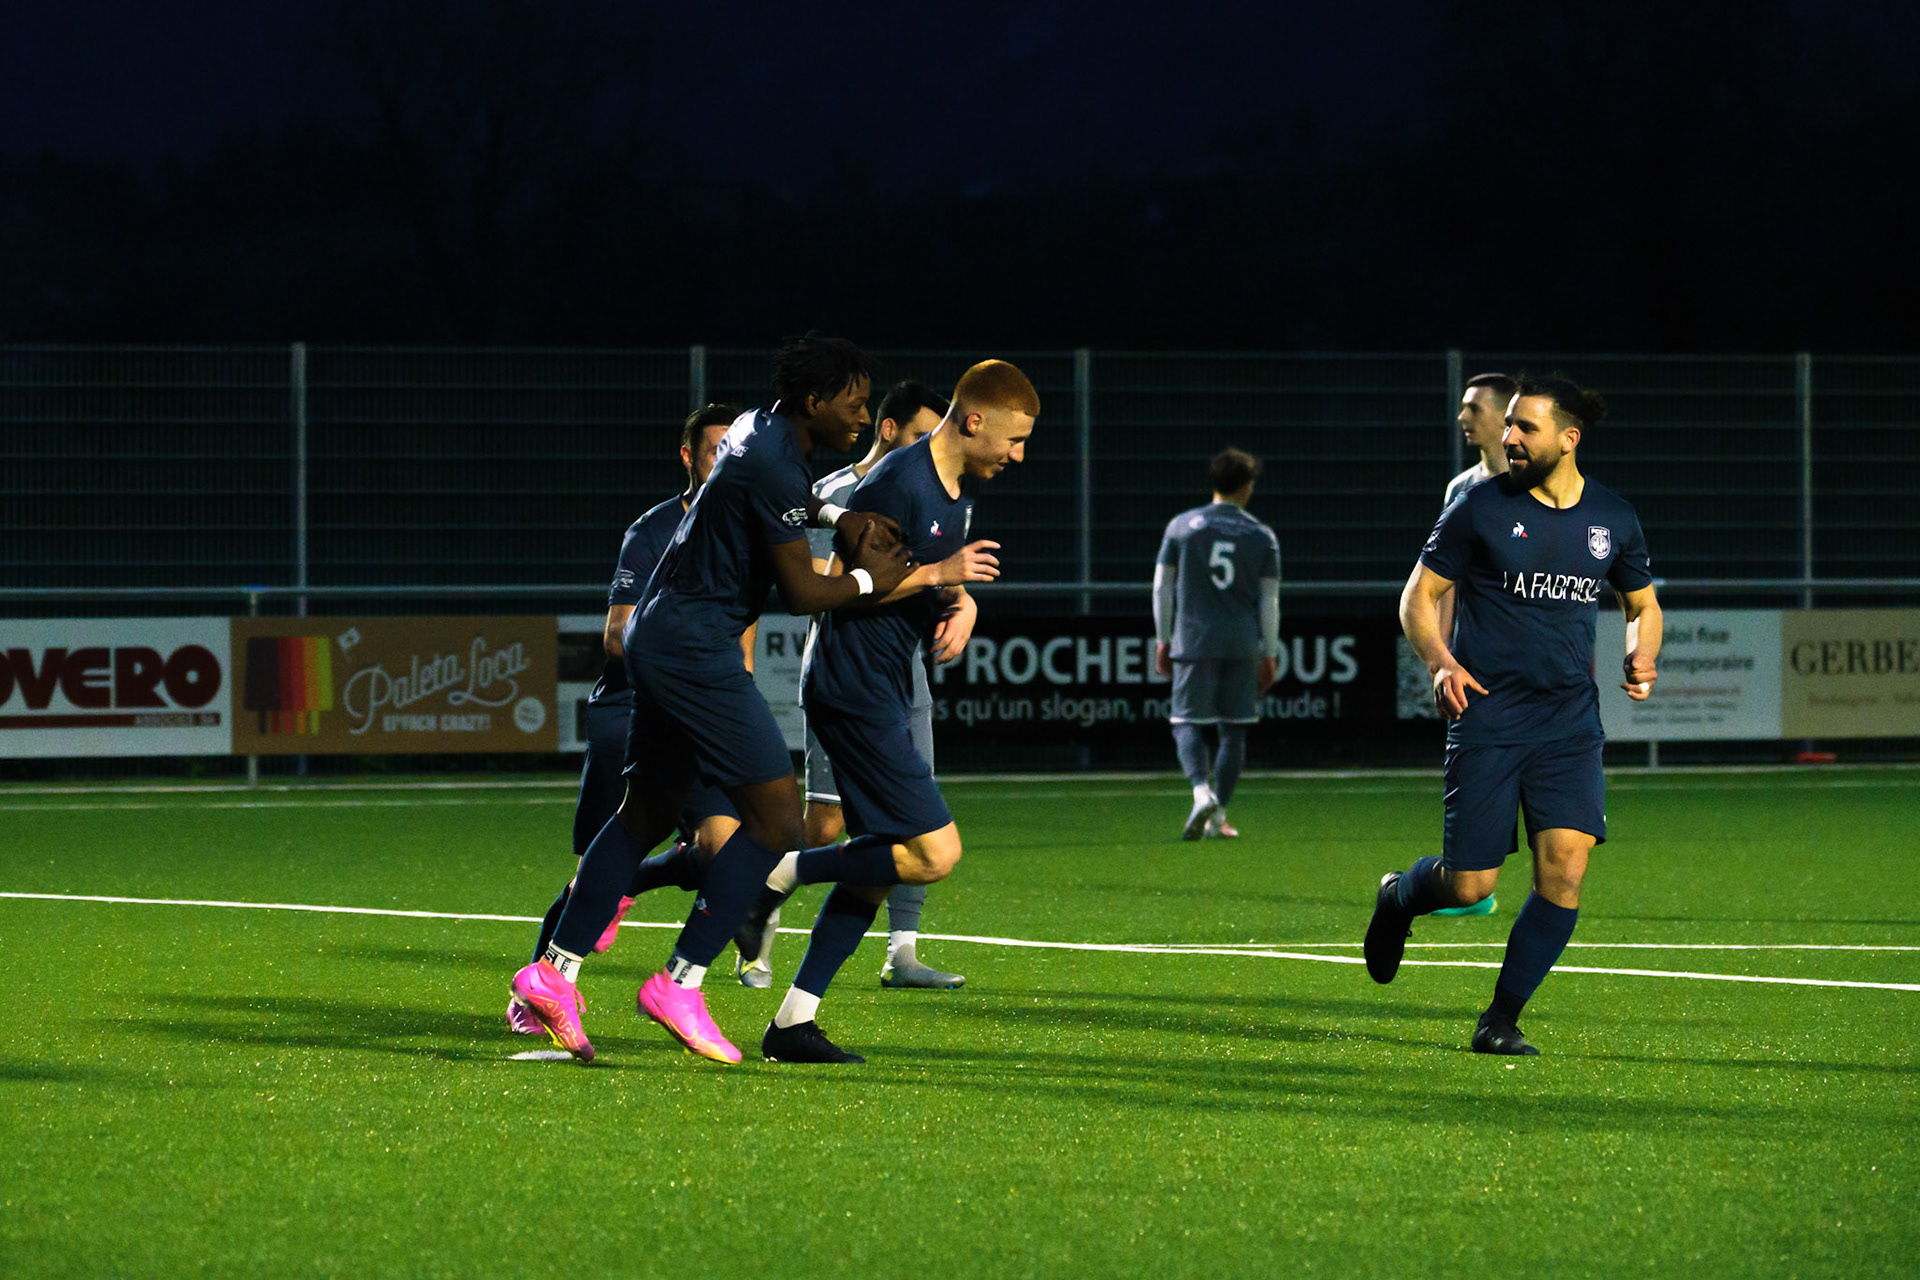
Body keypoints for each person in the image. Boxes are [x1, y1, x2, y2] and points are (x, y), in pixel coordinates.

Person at [509, 334, 990, 1066]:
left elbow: (774, 500)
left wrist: (838, 520)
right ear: (813, 402)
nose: (862, 416)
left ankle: (553, 971)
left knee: (645, 811)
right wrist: (902, 578)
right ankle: (681, 981)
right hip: (696, 646)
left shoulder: (753, 431)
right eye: (854, 402)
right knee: (776, 821)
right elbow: (803, 593)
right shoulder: (774, 458)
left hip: (661, 633)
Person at [1366, 374, 1663, 1056]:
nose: (1509, 438)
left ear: (1569, 437)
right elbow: (1419, 595)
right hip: (1489, 716)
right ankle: (1400, 897)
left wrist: (1640, 655)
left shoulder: (1613, 517)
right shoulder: (1478, 507)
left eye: (1525, 427)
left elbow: (1643, 606)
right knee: (1469, 885)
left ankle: (1499, 1018)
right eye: (1509, 426)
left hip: (1568, 723)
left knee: (1564, 870)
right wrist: (1441, 661)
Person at [757, 358, 1034, 1062]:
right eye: (1013, 439)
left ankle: (793, 1022)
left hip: (882, 684)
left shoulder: (955, 489)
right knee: (936, 853)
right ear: (975, 421)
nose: (1018, 455)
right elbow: (845, 586)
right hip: (854, 688)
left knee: (882, 865)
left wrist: (959, 601)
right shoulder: (897, 482)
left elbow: (928, 575)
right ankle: (781, 873)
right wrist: (942, 575)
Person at [506, 405, 748, 1037]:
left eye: (733, 450)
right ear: (688, 457)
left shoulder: (743, 532)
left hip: (702, 715)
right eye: (712, 449)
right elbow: (618, 635)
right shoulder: (654, 529)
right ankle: (540, 992)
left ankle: (657, 939)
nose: (722, 460)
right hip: (633, 711)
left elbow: (741, 644)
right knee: (592, 865)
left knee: (724, 852)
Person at [734, 379, 966, 992]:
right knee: (830, 823)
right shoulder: (835, 495)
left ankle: (902, 952)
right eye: (921, 433)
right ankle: (762, 916)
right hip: (850, 672)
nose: (931, 445)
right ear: (890, 431)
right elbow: (810, 577)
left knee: (910, 822)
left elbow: (939, 574)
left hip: (903, 673)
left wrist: (961, 600)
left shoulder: (940, 490)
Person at [1152, 448, 1281, 840]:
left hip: (1193, 639)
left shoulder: (1181, 526)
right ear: (1246, 487)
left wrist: (1163, 637)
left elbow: (1163, 587)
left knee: (1186, 721)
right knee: (1234, 730)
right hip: (1242, 642)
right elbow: (1270, 599)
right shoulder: (1261, 534)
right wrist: (1270, 651)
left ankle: (1199, 792)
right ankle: (1218, 814)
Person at [1432, 372, 1515, 918]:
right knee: (1476, 771)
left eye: (1472, 407)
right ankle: (1471, 884)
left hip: (1533, 664)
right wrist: (1438, 657)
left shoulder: (1545, 483)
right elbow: (1439, 583)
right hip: (1476, 664)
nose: (1463, 417)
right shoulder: (1461, 490)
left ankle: (1478, 883)